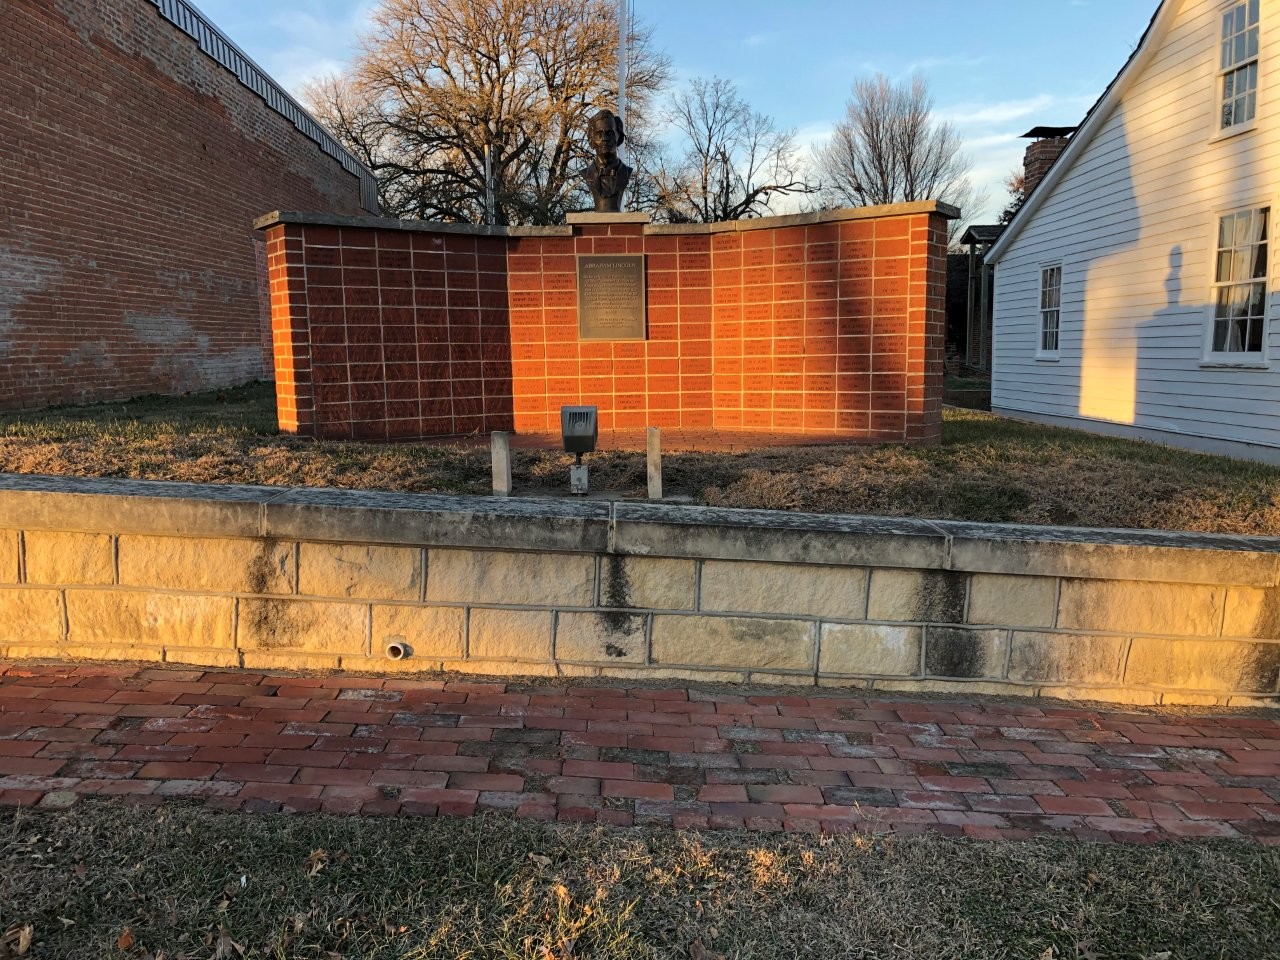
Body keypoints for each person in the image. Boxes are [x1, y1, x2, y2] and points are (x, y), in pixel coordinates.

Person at [582, 109, 632, 212]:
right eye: (599, 134)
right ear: (591, 140)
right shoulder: (586, 173)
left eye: (610, 133)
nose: (604, 138)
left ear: (619, 137)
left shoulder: (626, 172)